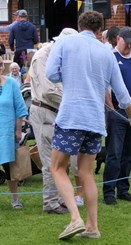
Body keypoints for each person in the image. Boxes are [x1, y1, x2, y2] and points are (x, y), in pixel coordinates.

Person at [45, 11, 131, 240]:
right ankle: (92, 227)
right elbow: (122, 94)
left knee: (57, 167)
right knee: (86, 172)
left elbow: (51, 73)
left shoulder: (66, 43)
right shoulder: (107, 53)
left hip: (72, 117)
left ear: (80, 26)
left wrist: (67, 76)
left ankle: (75, 218)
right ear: (100, 30)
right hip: (95, 121)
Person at [29, 28, 78, 214]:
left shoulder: (59, 56)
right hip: (44, 111)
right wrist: (72, 101)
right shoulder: (43, 56)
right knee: (50, 160)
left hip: (57, 112)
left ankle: (59, 198)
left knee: (60, 159)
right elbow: (49, 91)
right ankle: (50, 202)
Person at [103, 27, 131, 205]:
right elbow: (105, 85)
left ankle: (123, 188)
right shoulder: (110, 57)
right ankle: (109, 191)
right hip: (118, 111)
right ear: (118, 39)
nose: (129, 46)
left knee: (130, 152)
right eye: (126, 42)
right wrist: (110, 108)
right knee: (114, 151)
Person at [0, 56, 28, 208]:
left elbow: (20, 108)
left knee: (10, 166)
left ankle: (15, 198)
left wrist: (18, 130)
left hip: (6, 133)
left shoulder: (11, 84)